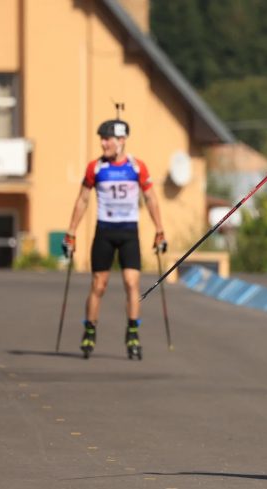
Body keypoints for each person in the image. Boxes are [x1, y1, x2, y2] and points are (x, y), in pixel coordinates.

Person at [62, 118, 166, 360]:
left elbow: (151, 198)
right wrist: (71, 232)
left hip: (129, 232)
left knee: (132, 283)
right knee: (99, 284)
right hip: (105, 232)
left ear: (121, 141)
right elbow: (83, 200)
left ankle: (132, 333)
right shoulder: (95, 168)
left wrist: (159, 228)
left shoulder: (137, 167)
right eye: (101, 139)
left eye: (107, 139)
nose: (102, 144)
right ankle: (89, 329)